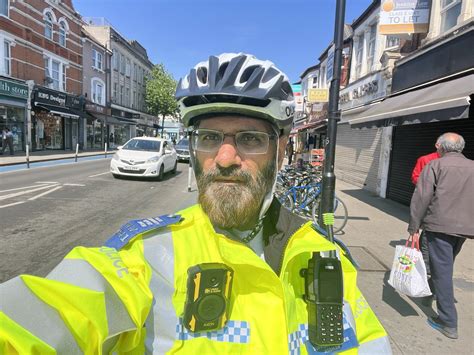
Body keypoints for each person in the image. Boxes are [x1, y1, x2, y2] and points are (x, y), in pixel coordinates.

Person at [1, 53, 391, 353]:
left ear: (281, 149)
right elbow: (53, 311)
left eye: (250, 139)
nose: (223, 158)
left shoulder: (325, 257)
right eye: (208, 138)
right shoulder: (146, 254)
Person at [408, 132, 473, 340]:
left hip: (439, 225)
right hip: (464, 228)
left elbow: (422, 197)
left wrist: (413, 226)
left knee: (442, 270)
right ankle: (430, 294)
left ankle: (448, 321)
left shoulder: (435, 166)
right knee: (443, 265)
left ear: (440, 147)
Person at [411, 141, 441, 279]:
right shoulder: (425, 159)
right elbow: (415, 177)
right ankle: (426, 270)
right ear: (437, 145)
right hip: (428, 201)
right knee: (427, 235)